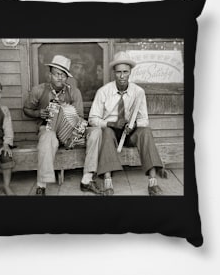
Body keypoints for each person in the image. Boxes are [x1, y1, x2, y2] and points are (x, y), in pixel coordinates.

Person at [23, 55, 102, 195]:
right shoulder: (39, 90)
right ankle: (42, 186)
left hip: (70, 134)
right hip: (49, 130)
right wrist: (38, 114)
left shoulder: (74, 92)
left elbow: (80, 118)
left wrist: (76, 132)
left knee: (96, 132)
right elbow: (26, 109)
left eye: (64, 75)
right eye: (57, 74)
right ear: (49, 75)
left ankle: (87, 180)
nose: (60, 78)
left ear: (67, 77)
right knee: (47, 137)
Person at [88, 51, 165, 196]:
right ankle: (108, 182)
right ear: (113, 73)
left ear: (130, 72)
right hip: (110, 134)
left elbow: (144, 120)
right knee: (106, 132)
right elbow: (92, 119)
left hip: (130, 133)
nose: (122, 76)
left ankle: (153, 182)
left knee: (146, 131)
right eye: (118, 72)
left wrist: (134, 125)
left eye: (125, 72)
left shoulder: (139, 92)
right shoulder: (103, 92)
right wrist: (111, 124)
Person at [0, 79, 16, 195]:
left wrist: (6, 144)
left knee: (6, 156)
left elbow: (8, 128)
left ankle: (6, 186)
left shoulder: (4, 109)